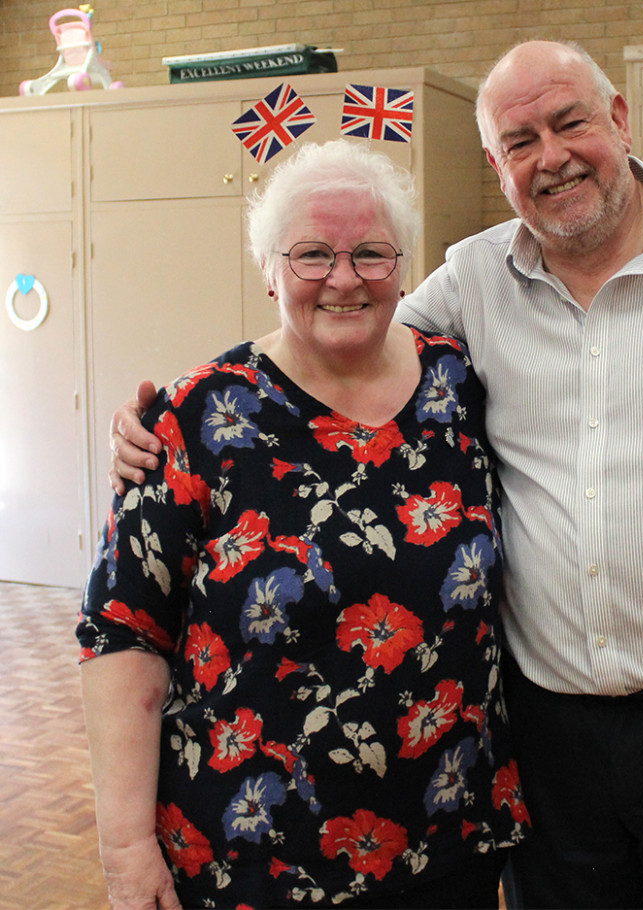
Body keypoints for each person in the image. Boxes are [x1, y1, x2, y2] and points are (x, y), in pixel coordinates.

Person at [108, 40, 643, 909]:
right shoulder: (471, 282)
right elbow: (335, 344)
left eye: (569, 121)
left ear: (618, 119)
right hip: (547, 738)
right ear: (497, 167)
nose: (552, 156)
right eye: (519, 141)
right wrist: (170, 420)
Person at [78, 139, 528, 910]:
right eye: (312, 254)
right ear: (268, 269)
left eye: (371, 254)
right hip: (254, 855)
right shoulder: (197, 420)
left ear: (404, 265)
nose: (344, 278)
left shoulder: (462, 386)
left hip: (447, 839)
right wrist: (124, 847)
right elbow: (123, 631)